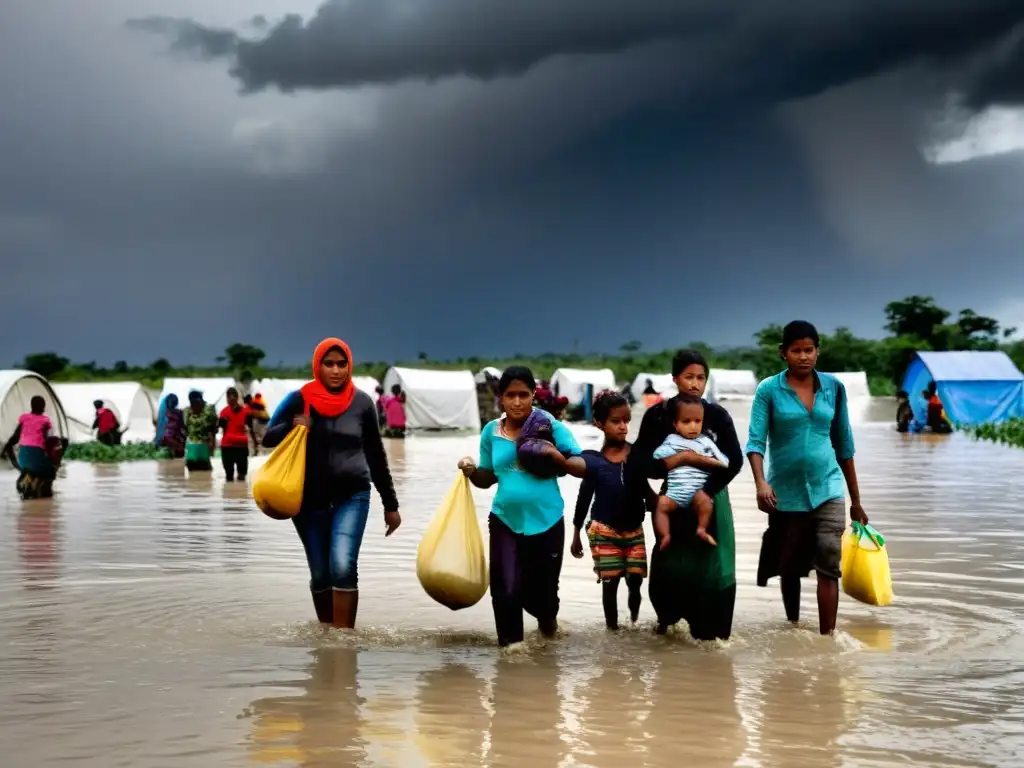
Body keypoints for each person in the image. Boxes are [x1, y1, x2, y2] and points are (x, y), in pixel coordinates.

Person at [262, 338, 401, 629]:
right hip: (308, 500)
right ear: (318, 366)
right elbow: (267, 438)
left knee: (342, 565)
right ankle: (328, 637)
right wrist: (294, 425)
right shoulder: (299, 398)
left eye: (342, 364)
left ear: (349, 366)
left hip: (353, 495)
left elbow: (376, 454)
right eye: (329, 364)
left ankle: (345, 642)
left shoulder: (362, 403)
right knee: (321, 573)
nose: (336, 370)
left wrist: (391, 504)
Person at [746, 320, 869, 636]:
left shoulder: (833, 388)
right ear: (783, 353)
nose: (804, 356)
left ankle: (827, 638)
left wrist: (856, 501)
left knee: (829, 564)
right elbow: (756, 442)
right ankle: (794, 626)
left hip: (827, 487)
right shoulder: (769, 390)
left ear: (818, 351)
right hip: (784, 492)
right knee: (790, 566)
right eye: (796, 350)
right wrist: (761, 483)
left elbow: (845, 444)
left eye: (809, 350)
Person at [457, 366, 585, 648]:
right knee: (504, 589)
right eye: (510, 395)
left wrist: (556, 457)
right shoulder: (491, 432)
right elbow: (488, 477)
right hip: (505, 519)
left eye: (523, 395)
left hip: (547, 520)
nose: (517, 402)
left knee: (544, 597)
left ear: (533, 396)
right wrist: (471, 470)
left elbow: (582, 465)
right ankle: (511, 651)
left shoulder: (548, 426)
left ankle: (548, 631)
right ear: (501, 398)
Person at [630, 349, 744, 639]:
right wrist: (675, 464)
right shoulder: (659, 415)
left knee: (713, 567)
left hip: (711, 499)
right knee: (671, 563)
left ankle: (713, 637)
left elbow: (735, 460)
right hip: (675, 498)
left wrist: (706, 491)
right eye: (689, 377)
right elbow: (639, 461)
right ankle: (669, 627)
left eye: (701, 378)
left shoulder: (717, 415)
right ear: (675, 379)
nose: (695, 383)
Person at [571, 391, 655, 630]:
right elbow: (584, 495)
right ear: (599, 424)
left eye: (626, 421)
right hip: (604, 528)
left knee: (636, 579)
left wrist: (661, 506)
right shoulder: (594, 461)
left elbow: (648, 490)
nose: (623, 427)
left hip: (633, 528)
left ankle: (634, 623)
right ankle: (613, 630)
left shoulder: (636, 455)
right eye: (616, 421)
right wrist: (576, 532)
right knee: (611, 581)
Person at [652, 394, 730, 549]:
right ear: (676, 424)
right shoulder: (672, 441)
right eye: (686, 422)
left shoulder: (706, 442)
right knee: (661, 505)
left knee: (706, 503)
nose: (693, 426)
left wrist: (709, 461)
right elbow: (657, 455)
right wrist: (679, 456)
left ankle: (701, 529)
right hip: (675, 493)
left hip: (698, 492)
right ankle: (665, 535)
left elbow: (724, 461)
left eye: (697, 421)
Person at [1, 396, 64, 499]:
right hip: (37, 459)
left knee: (32, 465)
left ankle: (28, 483)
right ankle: (43, 490)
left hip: (23, 460)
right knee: (51, 471)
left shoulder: (24, 418)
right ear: (43, 407)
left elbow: (15, 438)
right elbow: (47, 441)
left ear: (31, 406)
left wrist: (6, 450)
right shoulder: (45, 420)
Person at [219, 387, 254, 482]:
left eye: (232, 398)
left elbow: (251, 429)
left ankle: (240, 495)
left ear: (237, 398)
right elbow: (219, 428)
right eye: (228, 398)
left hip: (240, 446)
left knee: (241, 475)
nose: (230, 400)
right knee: (229, 475)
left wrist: (255, 444)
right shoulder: (223, 412)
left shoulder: (246, 412)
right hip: (228, 446)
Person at [183, 390, 218, 472]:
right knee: (192, 475)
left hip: (204, 446)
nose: (194, 405)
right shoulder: (187, 412)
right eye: (192, 403)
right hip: (191, 447)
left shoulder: (209, 411)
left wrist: (212, 444)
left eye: (196, 402)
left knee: (206, 473)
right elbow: (184, 429)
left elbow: (214, 429)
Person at [154, 393, 186, 457]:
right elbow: (182, 426)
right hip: (174, 441)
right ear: (176, 403)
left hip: (163, 440)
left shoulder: (163, 414)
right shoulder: (179, 412)